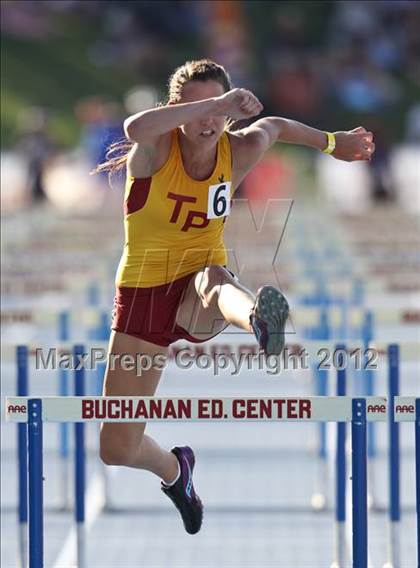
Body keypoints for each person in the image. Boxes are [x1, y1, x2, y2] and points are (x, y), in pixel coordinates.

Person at [93, 59, 375, 535]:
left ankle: (260, 321)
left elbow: (275, 125)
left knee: (212, 279)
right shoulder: (156, 148)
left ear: (230, 116)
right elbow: (133, 125)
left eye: (219, 112)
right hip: (142, 292)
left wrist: (332, 142)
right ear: (178, 109)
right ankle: (176, 471)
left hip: (203, 288)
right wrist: (218, 102)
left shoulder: (237, 149)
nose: (208, 122)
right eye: (197, 109)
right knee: (116, 447)